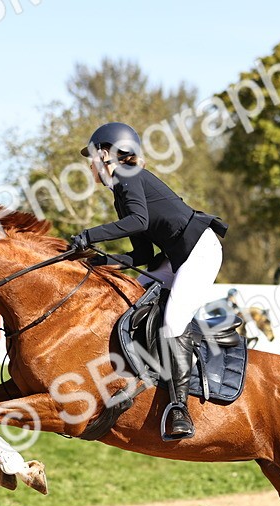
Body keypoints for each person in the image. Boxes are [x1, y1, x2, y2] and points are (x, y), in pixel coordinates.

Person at [67, 122, 228, 441]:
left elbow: (138, 222)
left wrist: (89, 235)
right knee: (135, 303)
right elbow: (141, 253)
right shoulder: (123, 189)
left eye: (92, 157)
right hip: (175, 255)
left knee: (172, 321)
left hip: (199, 251)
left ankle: (180, 409)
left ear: (104, 153)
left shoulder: (127, 177)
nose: (90, 165)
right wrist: (98, 261)